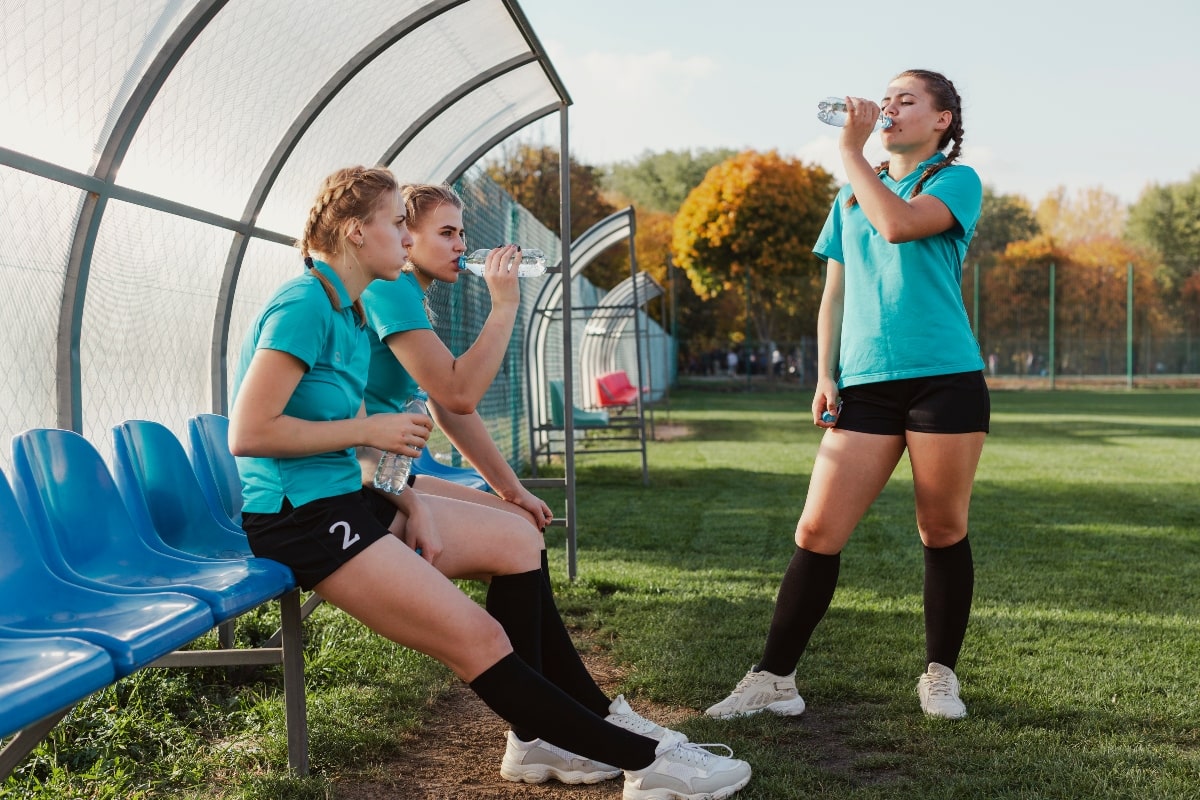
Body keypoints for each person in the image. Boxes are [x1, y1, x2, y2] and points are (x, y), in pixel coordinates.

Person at [229, 166, 751, 799]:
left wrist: (407, 495)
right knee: (479, 638)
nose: (405, 236)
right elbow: (249, 433)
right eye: (400, 224)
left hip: (343, 499)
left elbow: (373, 434)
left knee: (509, 554)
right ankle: (646, 763)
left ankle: (576, 737)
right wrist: (374, 430)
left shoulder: (351, 315)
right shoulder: (305, 302)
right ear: (357, 231)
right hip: (297, 518)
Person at [360, 182, 702, 785]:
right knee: (515, 544)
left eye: (463, 232)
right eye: (447, 232)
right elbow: (460, 391)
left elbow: (451, 410)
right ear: (403, 236)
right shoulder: (391, 290)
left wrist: (510, 490)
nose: (462, 245)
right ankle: (543, 732)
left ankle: (575, 716)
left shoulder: (410, 293)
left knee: (518, 525)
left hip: (390, 475)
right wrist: (504, 306)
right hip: (360, 481)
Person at [706, 69, 987, 722]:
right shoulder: (850, 191)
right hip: (865, 383)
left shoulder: (954, 180)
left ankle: (940, 676)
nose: (888, 107)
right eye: (883, 99)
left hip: (945, 378)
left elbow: (897, 226)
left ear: (941, 120)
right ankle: (774, 679)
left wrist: (853, 153)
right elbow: (833, 290)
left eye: (905, 100)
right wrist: (826, 372)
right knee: (816, 530)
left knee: (941, 528)